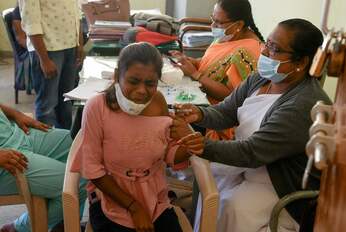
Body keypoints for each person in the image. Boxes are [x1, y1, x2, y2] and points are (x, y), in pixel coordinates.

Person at [171, 18, 331, 232]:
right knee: (210, 183)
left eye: (274, 49)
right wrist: (198, 114)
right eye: (267, 43)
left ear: (300, 62)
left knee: (231, 207)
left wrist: (203, 145)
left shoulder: (303, 105)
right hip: (251, 168)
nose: (264, 53)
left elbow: (252, 151)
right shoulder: (260, 79)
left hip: (279, 185)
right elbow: (227, 112)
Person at [70, 42, 201, 232]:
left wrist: (190, 144)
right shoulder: (97, 107)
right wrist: (134, 207)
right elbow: (92, 169)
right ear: (117, 76)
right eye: (133, 81)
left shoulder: (158, 103)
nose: (141, 91)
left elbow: (169, 155)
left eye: (150, 84)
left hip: (154, 198)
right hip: (111, 197)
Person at [171, 0, 264, 141]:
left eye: (219, 22)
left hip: (218, 118)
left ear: (238, 24)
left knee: (168, 118)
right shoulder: (227, 36)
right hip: (201, 100)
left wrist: (195, 74)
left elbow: (232, 98)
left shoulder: (248, 52)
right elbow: (209, 65)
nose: (213, 25)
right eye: (212, 19)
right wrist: (190, 62)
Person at [0, 104, 87, 232]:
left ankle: (65, 222)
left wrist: (15, 114)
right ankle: (20, 228)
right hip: (7, 161)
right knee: (78, 183)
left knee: (85, 148)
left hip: (16, 133)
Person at [18, 0, 84, 129]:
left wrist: (79, 43)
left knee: (66, 102)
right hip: (47, 50)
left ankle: (65, 142)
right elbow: (31, 21)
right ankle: (48, 145)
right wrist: (44, 59)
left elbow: (76, 12)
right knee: (47, 105)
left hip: (70, 45)